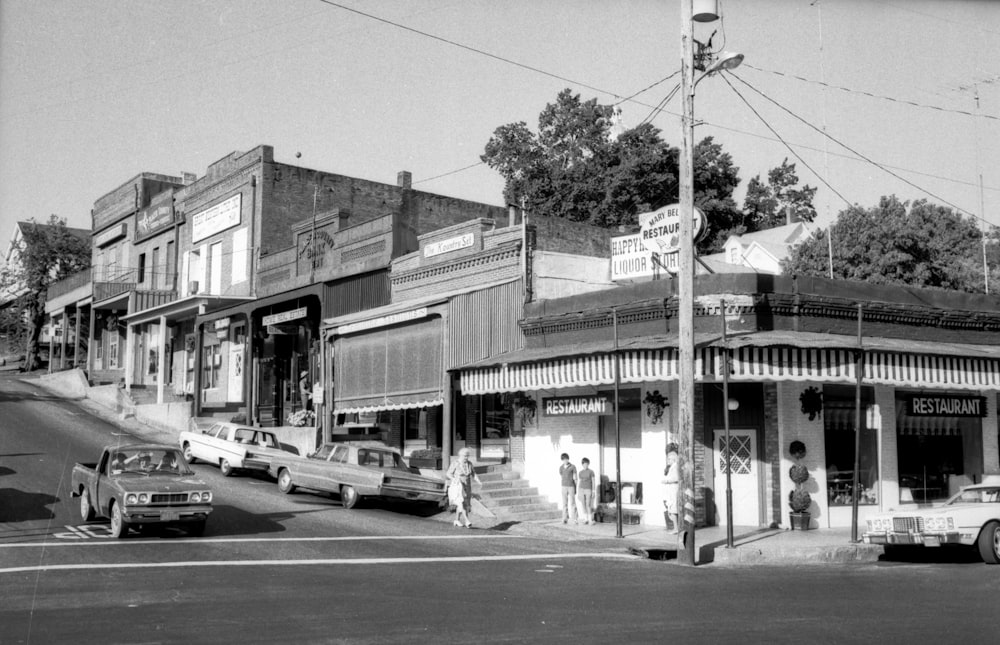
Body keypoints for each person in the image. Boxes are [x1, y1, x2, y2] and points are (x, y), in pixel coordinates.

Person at [446, 447, 481, 528]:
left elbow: (473, 474)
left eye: (467, 456)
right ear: (460, 455)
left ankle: (457, 520)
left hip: (467, 486)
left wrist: (478, 481)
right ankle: (467, 521)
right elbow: (448, 473)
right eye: (465, 456)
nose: (466, 458)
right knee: (462, 503)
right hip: (459, 486)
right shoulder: (455, 463)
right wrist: (454, 479)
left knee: (464, 503)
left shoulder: (469, 464)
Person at [662, 449, 680, 533]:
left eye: (669, 459)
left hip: (674, 490)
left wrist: (667, 481)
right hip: (672, 490)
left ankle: (676, 528)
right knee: (672, 509)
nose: (667, 460)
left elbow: (676, 478)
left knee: (673, 509)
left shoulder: (675, 467)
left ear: (674, 460)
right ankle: (676, 528)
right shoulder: (673, 467)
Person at [559, 453, 578, 524]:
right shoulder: (561, 467)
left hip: (571, 486)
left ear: (568, 459)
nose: (565, 461)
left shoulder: (573, 467)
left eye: (566, 459)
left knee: (572, 503)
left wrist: (575, 487)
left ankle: (575, 518)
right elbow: (561, 475)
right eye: (563, 459)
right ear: (562, 460)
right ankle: (565, 518)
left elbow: (575, 478)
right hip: (564, 486)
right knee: (564, 503)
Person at [576, 457, 596, 524]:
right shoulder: (580, 472)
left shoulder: (591, 472)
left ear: (588, 464)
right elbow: (580, 482)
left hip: (588, 489)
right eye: (584, 464)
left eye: (587, 464)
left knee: (588, 504)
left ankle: (590, 519)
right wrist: (578, 492)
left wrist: (593, 491)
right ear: (582, 464)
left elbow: (593, 481)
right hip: (581, 489)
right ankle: (585, 519)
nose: (585, 465)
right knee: (583, 504)